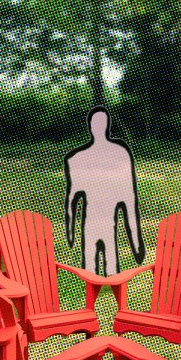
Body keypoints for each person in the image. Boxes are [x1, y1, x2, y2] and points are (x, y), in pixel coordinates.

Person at [64, 107, 145, 275]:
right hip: (93, 222)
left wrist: (137, 242)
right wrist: (136, 244)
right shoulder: (80, 159)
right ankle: (99, 284)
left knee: (108, 265)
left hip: (106, 222)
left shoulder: (117, 155)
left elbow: (129, 200)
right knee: (95, 267)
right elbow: (72, 200)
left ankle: (108, 284)